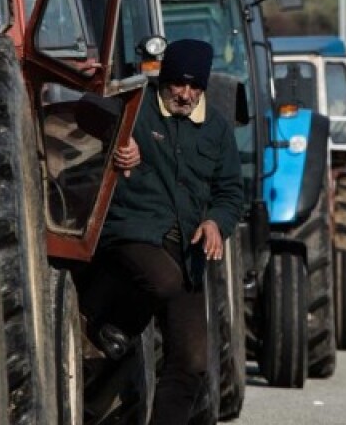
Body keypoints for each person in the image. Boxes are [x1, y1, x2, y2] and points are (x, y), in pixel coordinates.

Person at [83, 38, 244, 425]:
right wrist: (120, 147)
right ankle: (114, 326)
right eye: (177, 85)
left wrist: (215, 223)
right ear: (164, 80)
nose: (185, 95)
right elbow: (90, 116)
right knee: (166, 282)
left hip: (186, 250)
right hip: (132, 231)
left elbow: (231, 193)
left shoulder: (217, 129)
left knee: (192, 362)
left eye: (194, 87)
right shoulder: (135, 109)